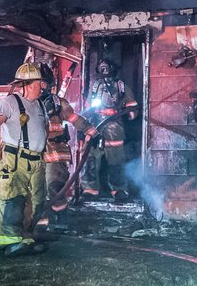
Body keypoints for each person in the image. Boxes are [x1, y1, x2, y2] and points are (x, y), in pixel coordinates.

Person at [0, 62, 49, 255]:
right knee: (12, 198)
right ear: (28, 85)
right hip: (15, 160)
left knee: (36, 201)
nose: (42, 87)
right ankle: (10, 242)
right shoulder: (10, 102)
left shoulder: (39, 104)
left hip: (36, 160)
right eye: (39, 84)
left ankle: (25, 238)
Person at [34, 62, 95, 230]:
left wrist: (91, 131)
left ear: (47, 84)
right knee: (36, 189)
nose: (37, 87)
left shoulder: (57, 103)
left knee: (53, 186)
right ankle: (38, 224)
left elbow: (75, 118)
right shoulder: (26, 104)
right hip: (34, 154)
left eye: (40, 82)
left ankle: (61, 221)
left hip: (55, 152)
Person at [81, 58, 139, 198]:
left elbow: (133, 108)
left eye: (106, 68)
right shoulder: (95, 87)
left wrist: (130, 113)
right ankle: (90, 189)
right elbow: (88, 109)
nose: (104, 71)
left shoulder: (121, 87)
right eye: (102, 68)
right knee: (90, 158)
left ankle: (119, 189)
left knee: (116, 160)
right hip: (95, 127)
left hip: (115, 129)